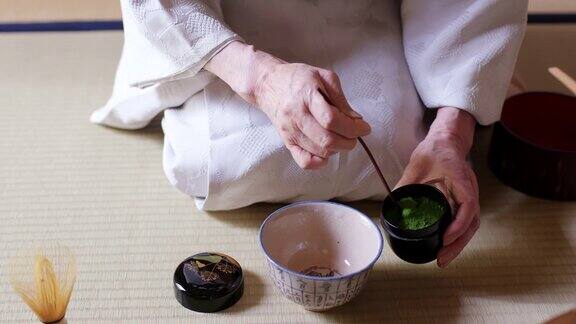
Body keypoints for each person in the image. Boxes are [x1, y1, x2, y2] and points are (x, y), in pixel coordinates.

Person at [92, 0, 528, 267]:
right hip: (227, 24)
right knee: (220, 162)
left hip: (375, 10)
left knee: (403, 147)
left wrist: (451, 133)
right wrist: (258, 78)